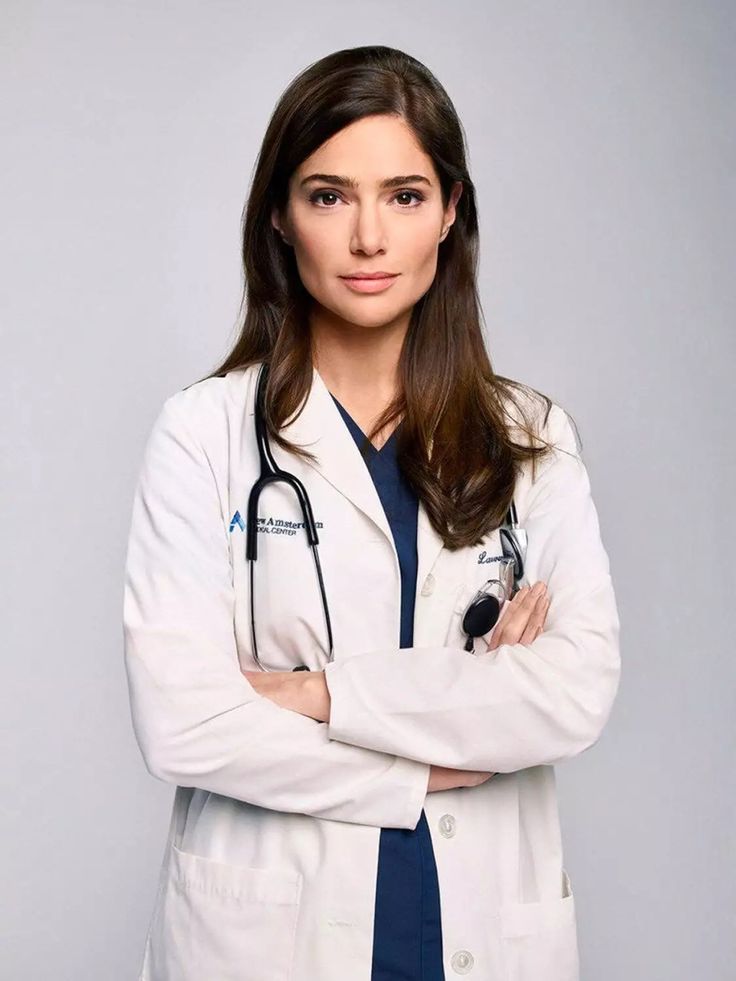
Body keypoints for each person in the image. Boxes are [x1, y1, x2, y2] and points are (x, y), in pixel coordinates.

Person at [122, 44, 621, 981]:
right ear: (280, 213)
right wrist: (428, 757)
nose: (367, 239)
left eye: (403, 195)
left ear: (449, 213)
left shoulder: (533, 437)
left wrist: (316, 694)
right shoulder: (206, 433)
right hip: (266, 942)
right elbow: (183, 721)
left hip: (475, 931)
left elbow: (573, 693)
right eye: (327, 195)